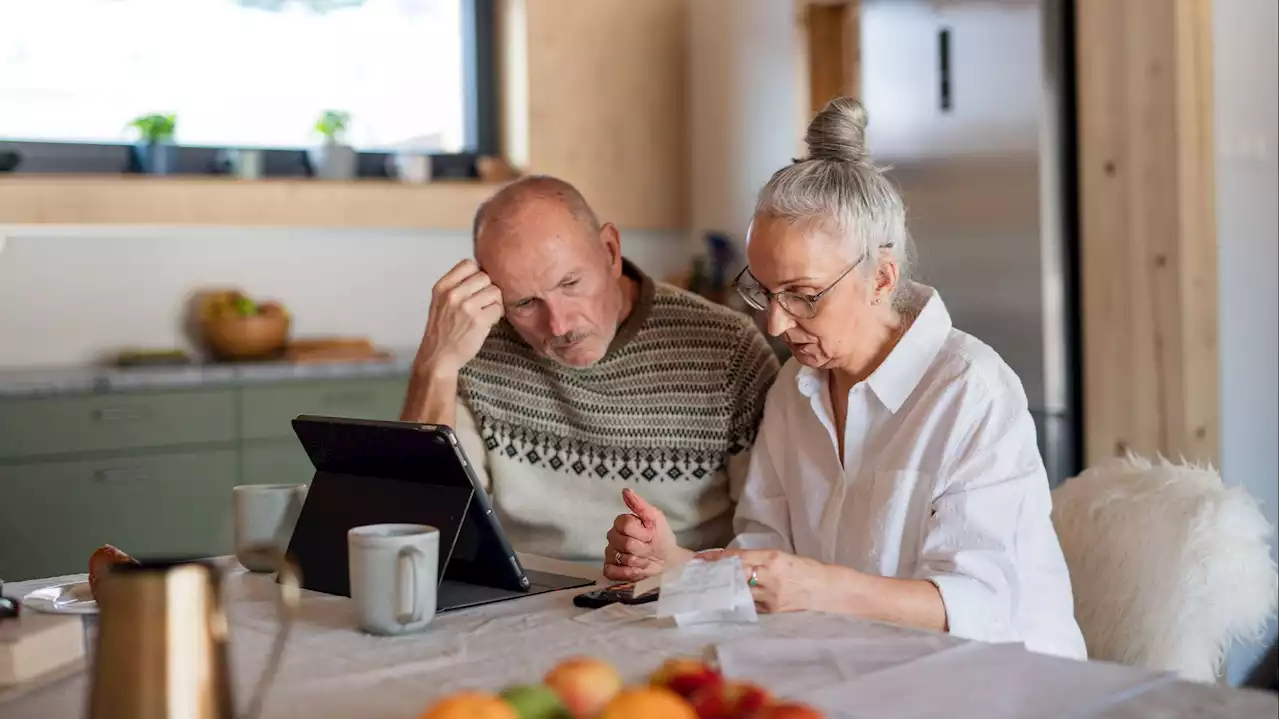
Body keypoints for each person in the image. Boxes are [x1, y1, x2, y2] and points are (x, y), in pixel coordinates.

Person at [603, 98, 1087, 659]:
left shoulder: (970, 392)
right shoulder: (794, 389)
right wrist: (676, 564)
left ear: (881, 278)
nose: (777, 323)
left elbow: (980, 604)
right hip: (859, 668)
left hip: (1006, 683)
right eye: (762, 290)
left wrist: (819, 587)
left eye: (805, 297)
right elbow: (766, 564)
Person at [401, 175, 780, 564]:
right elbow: (422, 529)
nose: (560, 326)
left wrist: (680, 566)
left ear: (611, 251)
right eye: (526, 303)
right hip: (523, 604)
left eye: (570, 283)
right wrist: (435, 365)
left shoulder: (728, 349)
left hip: (677, 600)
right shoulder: (476, 346)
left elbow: (773, 542)